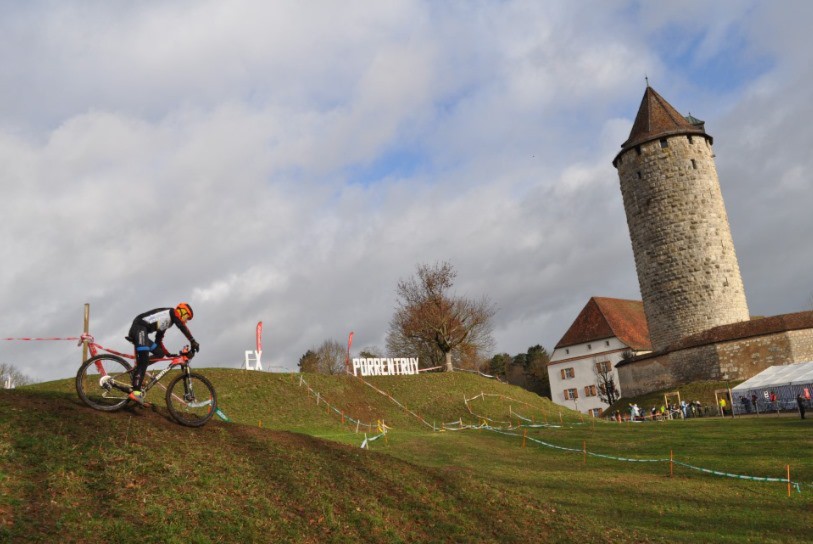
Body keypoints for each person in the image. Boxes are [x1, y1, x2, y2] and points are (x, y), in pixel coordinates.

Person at [126, 303, 199, 404]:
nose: (186, 320)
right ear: (182, 311)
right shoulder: (172, 312)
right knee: (144, 358)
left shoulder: (167, 322)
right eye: (187, 317)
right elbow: (181, 326)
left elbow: (158, 340)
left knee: (159, 353)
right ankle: (136, 391)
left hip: (142, 332)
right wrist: (192, 340)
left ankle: (138, 369)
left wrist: (168, 354)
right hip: (139, 328)